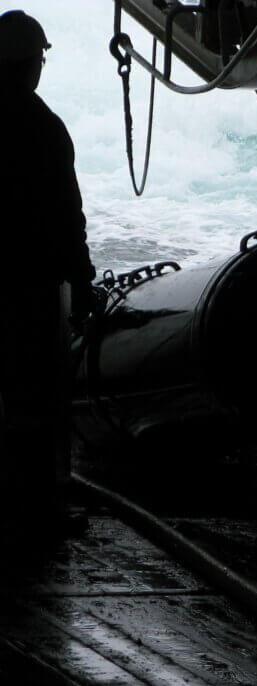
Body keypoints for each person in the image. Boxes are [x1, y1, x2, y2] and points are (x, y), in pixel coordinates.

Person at [0, 10, 96, 539]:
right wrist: (81, 282)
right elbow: (66, 217)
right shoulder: (44, 128)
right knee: (34, 401)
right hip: (29, 286)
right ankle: (35, 510)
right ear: (33, 62)